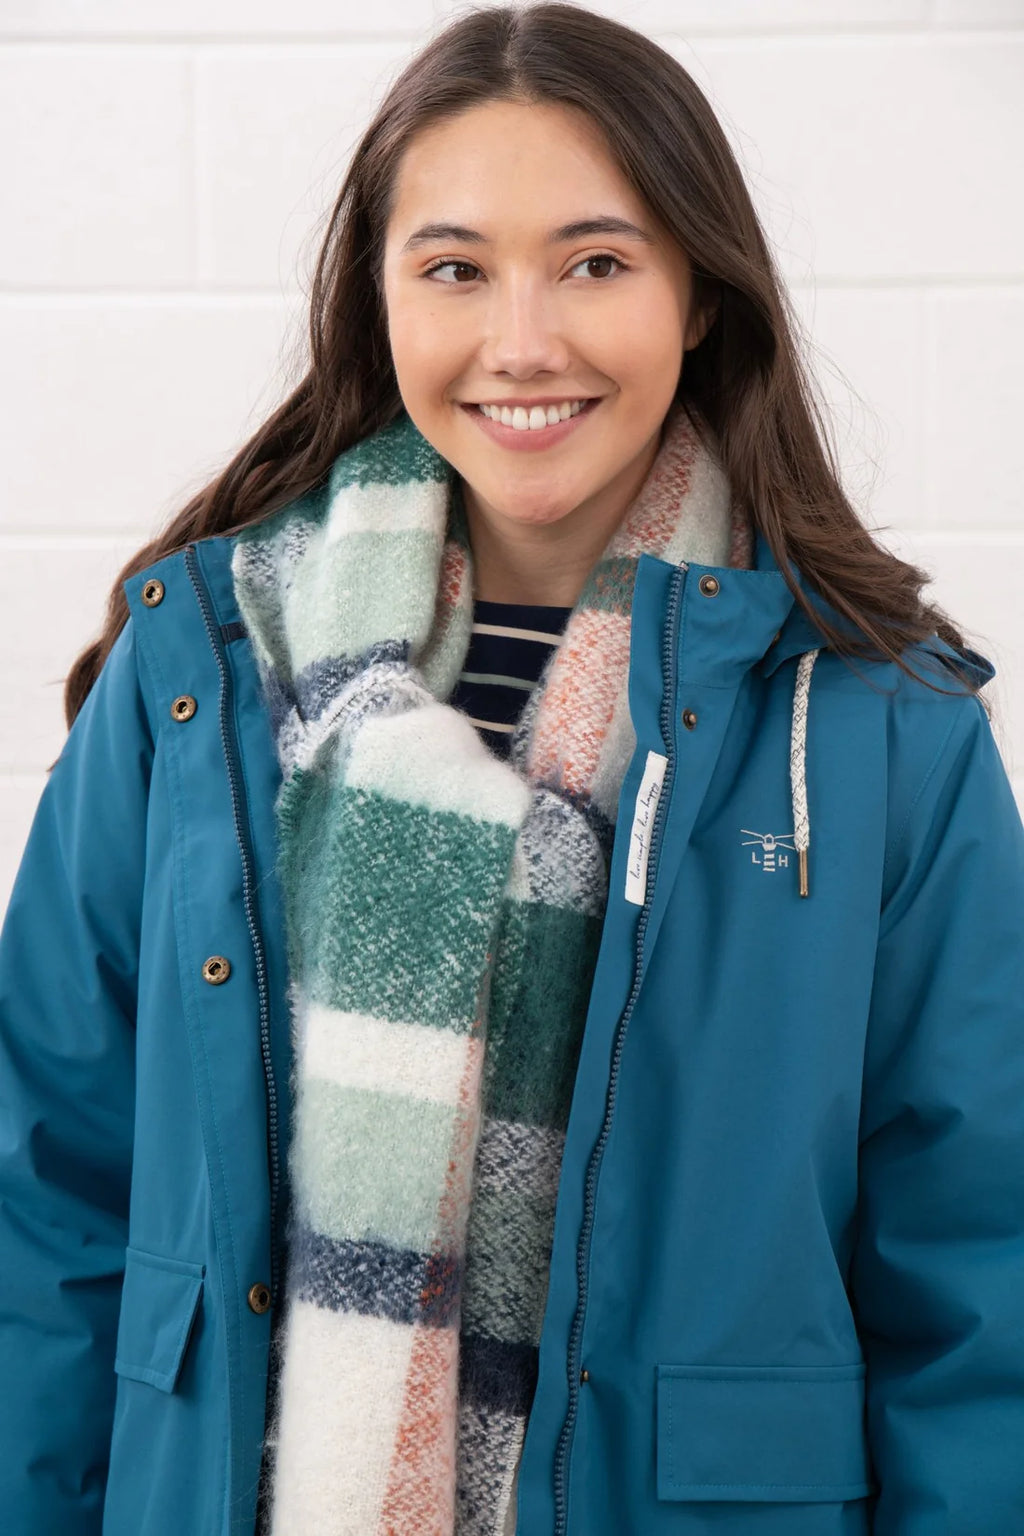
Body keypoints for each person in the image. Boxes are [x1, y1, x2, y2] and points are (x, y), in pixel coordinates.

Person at [2, 3, 1022, 1533]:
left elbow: (977, 1276)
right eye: (456, 268)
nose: (522, 341)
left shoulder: (880, 720)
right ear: (381, 300)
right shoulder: (206, 670)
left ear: (699, 298)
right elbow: (48, 1200)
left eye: (596, 262)